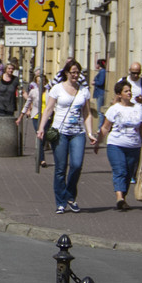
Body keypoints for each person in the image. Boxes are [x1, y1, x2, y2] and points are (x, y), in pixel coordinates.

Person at [38, 60, 98, 214]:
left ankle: (70, 197)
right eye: (73, 72)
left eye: (78, 73)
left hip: (78, 132)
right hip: (60, 132)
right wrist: (41, 128)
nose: (75, 75)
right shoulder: (57, 89)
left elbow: (86, 113)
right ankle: (60, 202)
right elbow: (49, 109)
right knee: (60, 168)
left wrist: (90, 132)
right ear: (66, 73)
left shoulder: (83, 90)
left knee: (77, 165)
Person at [96, 79, 142, 210]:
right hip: (116, 144)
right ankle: (119, 198)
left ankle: (122, 197)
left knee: (129, 173)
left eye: (130, 90)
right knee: (120, 170)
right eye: (126, 91)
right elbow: (105, 127)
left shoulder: (138, 108)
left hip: (134, 146)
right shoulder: (114, 109)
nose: (129, 93)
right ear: (119, 94)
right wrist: (98, 142)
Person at [16, 68, 47, 167]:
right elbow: (27, 104)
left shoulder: (50, 92)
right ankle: (41, 159)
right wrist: (21, 116)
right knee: (40, 136)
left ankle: (38, 153)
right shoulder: (34, 92)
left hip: (47, 117)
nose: (40, 83)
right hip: (36, 116)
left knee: (45, 137)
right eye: (38, 82)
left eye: (42, 81)